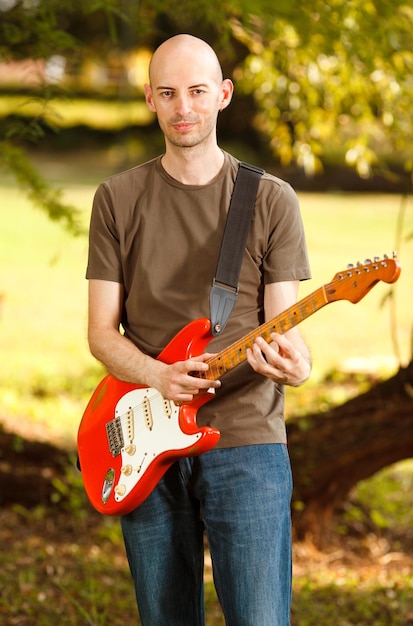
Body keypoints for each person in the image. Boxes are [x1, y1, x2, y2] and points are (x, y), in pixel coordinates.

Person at [86, 33, 312, 626]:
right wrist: (158, 376)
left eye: (196, 91)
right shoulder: (116, 199)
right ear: (149, 100)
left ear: (223, 95)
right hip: (143, 436)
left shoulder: (271, 200)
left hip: (247, 436)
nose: (183, 107)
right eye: (168, 93)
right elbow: (101, 334)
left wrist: (298, 364)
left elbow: (285, 320)